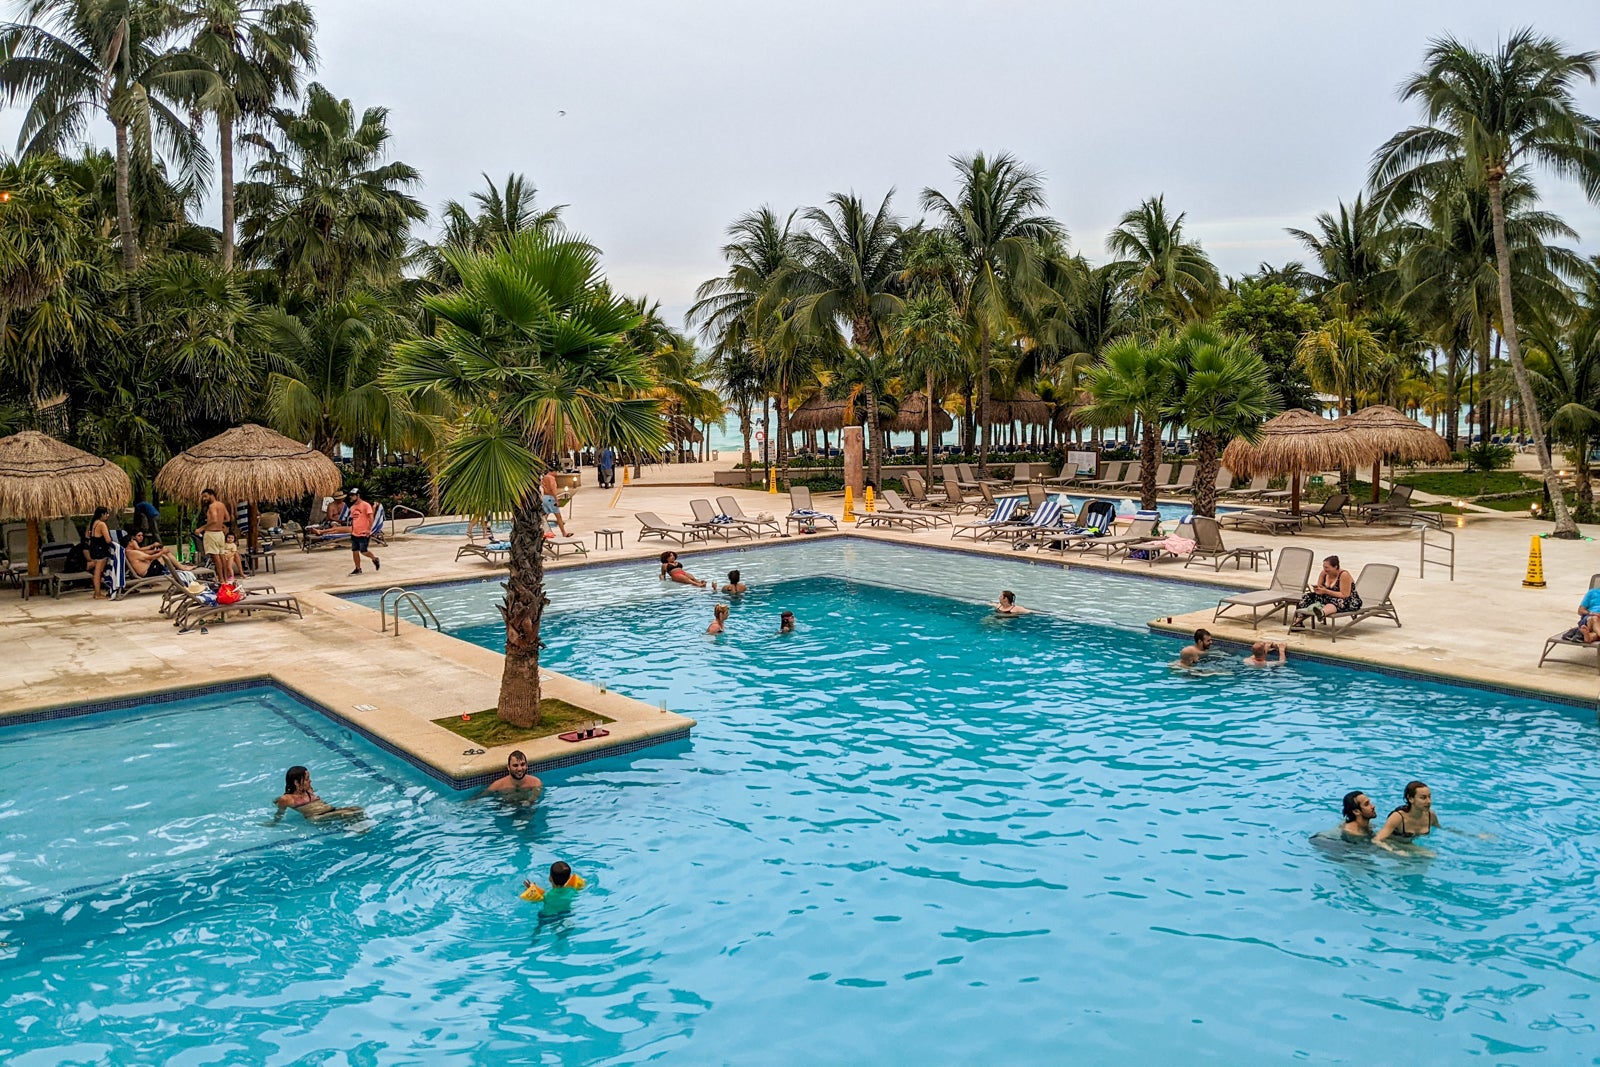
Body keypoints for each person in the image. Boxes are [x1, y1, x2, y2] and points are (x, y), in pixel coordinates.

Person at [273, 765, 365, 822]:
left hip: (331, 811)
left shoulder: (309, 790)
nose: (310, 781)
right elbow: (280, 813)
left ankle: (364, 829)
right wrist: (274, 822)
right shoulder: (287, 799)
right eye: (307, 779)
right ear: (297, 783)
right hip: (316, 817)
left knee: (357, 809)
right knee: (347, 814)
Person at [1292, 555, 1361, 629]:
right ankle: (1298, 621)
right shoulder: (1324, 573)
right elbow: (1320, 586)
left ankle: (1322, 613)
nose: (1325, 569)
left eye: (1327, 567)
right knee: (1306, 597)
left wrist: (1325, 591)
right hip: (1328, 596)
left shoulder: (1344, 575)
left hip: (1347, 600)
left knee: (1336, 601)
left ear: (1335, 567)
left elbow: (1345, 594)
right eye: (1324, 567)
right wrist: (1318, 589)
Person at [1373, 780, 1440, 846]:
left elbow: (1439, 828)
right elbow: (1376, 840)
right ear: (1410, 799)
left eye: (1429, 797)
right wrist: (1394, 851)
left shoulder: (1431, 816)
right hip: (1393, 842)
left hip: (1410, 843)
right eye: (1423, 798)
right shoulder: (1398, 817)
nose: (1429, 801)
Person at [521, 860, 586, 917]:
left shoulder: (548, 895)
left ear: (550, 878)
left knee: (540, 917)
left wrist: (530, 888)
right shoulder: (572, 890)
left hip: (549, 916)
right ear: (569, 877)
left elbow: (535, 899)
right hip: (566, 912)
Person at [196, 488, 235, 584]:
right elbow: (228, 518)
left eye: (205, 496)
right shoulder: (221, 505)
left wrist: (201, 528)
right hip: (220, 534)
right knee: (222, 557)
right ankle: (225, 578)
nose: (204, 499)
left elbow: (213, 519)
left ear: (211, 495)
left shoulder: (212, 506)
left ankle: (221, 579)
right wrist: (221, 523)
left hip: (211, 534)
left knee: (216, 559)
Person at [345, 488, 380, 576]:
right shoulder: (352, 507)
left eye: (353, 495)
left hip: (364, 532)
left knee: (363, 551)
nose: (351, 497)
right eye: (351, 495)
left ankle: (374, 558)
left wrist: (369, 529)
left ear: (358, 496)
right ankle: (358, 568)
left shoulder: (365, 505)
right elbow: (353, 519)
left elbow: (371, 517)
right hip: (355, 532)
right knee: (355, 551)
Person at [86, 506, 114, 598]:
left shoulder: (93, 523)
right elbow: (108, 540)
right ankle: (97, 593)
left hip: (94, 548)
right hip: (100, 549)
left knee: (97, 571)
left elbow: (88, 536)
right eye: (107, 514)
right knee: (98, 572)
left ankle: (96, 592)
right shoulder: (101, 524)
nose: (108, 516)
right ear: (102, 514)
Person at [540, 469, 571, 537]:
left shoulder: (544, 478)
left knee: (545, 516)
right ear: (553, 471)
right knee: (558, 517)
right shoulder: (551, 478)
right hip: (551, 498)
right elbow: (553, 489)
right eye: (556, 471)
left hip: (545, 497)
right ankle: (564, 533)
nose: (557, 473)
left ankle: (543, 531)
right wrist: (556, 499)